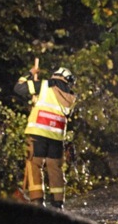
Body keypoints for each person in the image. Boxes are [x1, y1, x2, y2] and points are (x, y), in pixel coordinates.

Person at [14, 65, 78, 208]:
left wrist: (29, 73)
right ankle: (58, 203)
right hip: (56, 137)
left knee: (34, 165)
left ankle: (37, 201)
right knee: (55, 168)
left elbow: (19, 88)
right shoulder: (71, 96)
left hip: (38, 133)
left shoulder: (44, 85)